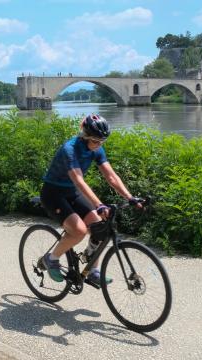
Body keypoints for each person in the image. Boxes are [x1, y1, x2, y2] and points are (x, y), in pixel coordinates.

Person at [40, 114, 142, 284]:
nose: (99, 145)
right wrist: (99, 204)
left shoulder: (96, 148)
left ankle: (92, 268)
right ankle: (51, 258)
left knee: (100, 226)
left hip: (71, 192)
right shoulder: (69, 149)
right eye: (95, 141)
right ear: (85, 136)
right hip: (53, 194)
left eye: (102, 141)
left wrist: (130, 197)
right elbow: (79, 181)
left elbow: (111, 177)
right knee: (79, 230)